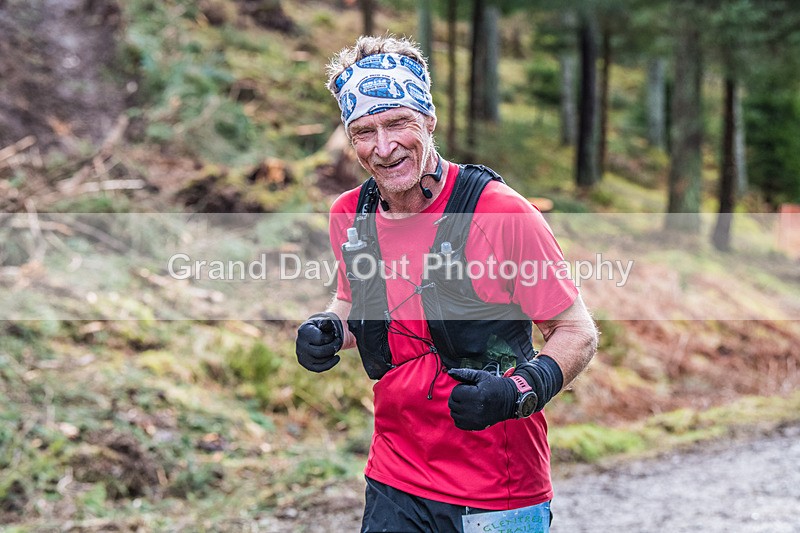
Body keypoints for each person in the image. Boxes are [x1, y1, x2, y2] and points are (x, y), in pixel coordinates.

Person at [295, 35, 598, 533]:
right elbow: (354, 299)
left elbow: (577, 332)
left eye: (398, 123)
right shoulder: (351, 214)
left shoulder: (501, 213)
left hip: (497, 490)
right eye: (364, 131)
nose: (384, 147)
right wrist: (330, 328)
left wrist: (518, 389)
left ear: (429, 120)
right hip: (394, 478)